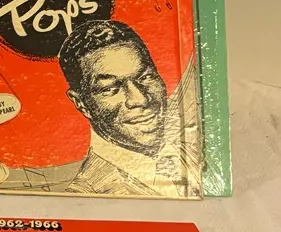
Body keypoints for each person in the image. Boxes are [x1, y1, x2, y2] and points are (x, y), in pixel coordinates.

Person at [58, 20, 199, 197]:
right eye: (111, 88)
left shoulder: (196, 153)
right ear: (81, 103)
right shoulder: (86, 195)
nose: (140, 99)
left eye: (145, 77)